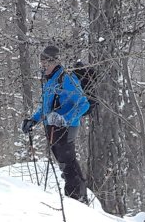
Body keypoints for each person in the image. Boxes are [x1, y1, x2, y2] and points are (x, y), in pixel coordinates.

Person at [21, 45, 90, 204]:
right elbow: (46, 106)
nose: (42, 65)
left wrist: (64, 118)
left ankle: (77, 201)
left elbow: (83, 104)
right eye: (41, 62)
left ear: (55, 61)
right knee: (64, 164)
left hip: (66, 127)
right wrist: (33, 120)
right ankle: (75, 199)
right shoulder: (51, 80)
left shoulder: (66, 78)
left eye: (46, 62)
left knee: (68, 164)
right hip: (52, 128)